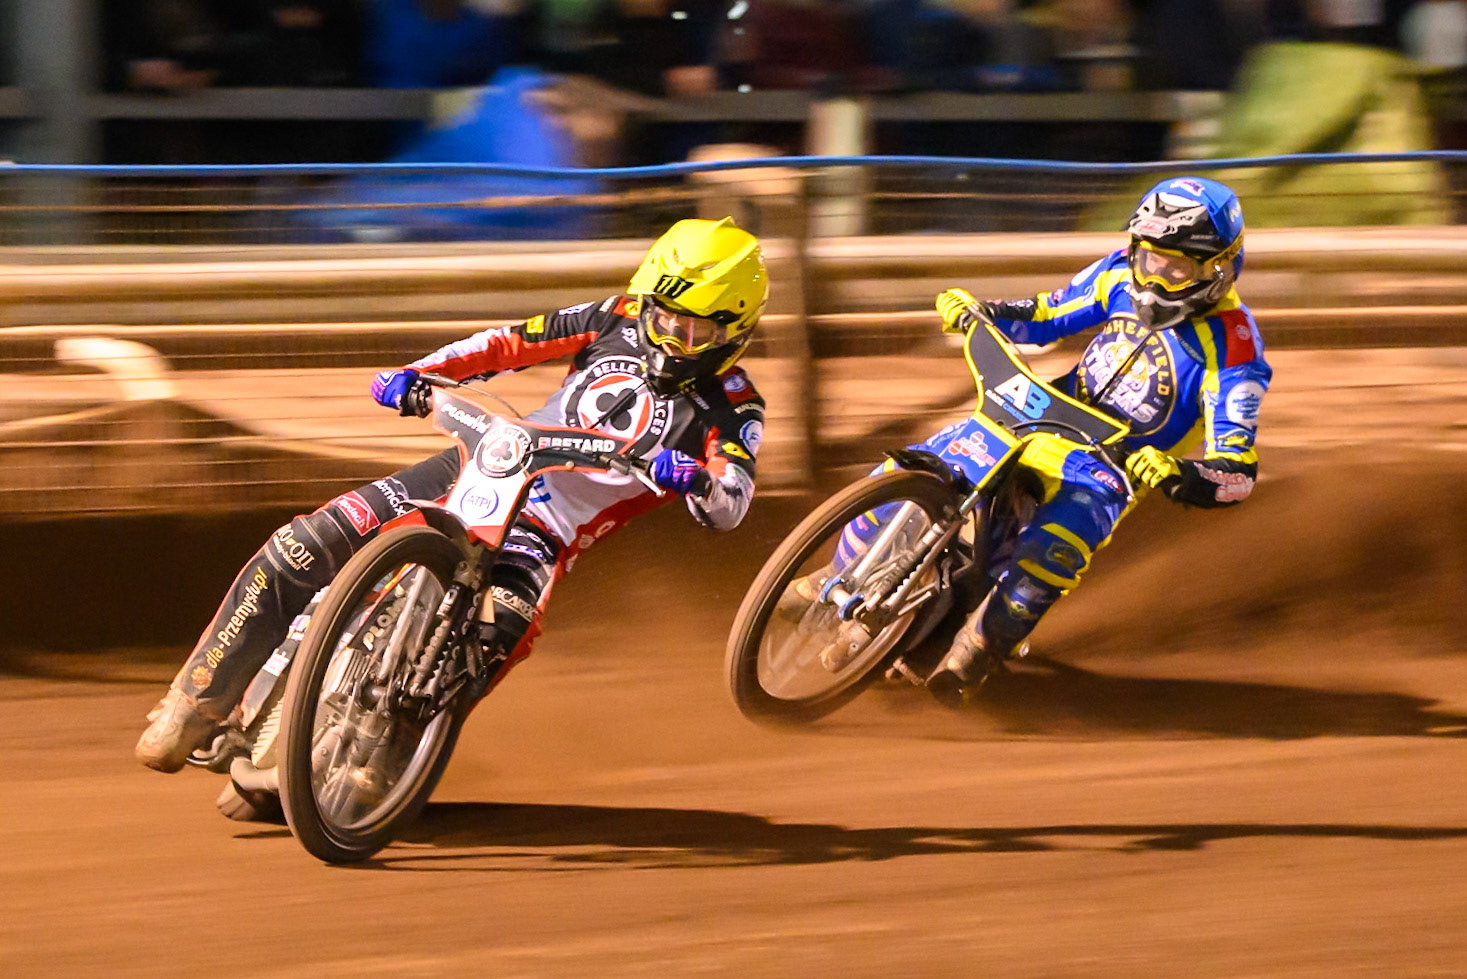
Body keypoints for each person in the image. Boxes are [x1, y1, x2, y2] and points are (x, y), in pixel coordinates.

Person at [136, 217, 769, 771]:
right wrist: (421, 374)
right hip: (480, 464)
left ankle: (387, 759)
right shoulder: (615, 316)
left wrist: (699, 481)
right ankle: (193, 703)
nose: (673, 338)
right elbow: (509, 343)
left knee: (494, 639)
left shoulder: (734, 405)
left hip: (544, 532)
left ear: (735, 331)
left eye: (696, 331)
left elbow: (732, 503)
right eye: (664, 317)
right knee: (303, 545)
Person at [801, 176, 1271, 707]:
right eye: (1150, 259)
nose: (1155, 277)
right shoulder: (1119, 272)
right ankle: (838, 570)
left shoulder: (1236, 350)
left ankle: (976, 649)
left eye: (1177, 268)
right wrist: (981, 313)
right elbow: (1046, 314)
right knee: (917, 469)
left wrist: (1178, 473)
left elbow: (1237, 470)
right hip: (1035, 412)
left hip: (1106, 467)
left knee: (1055, 547)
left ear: (1219, 268)